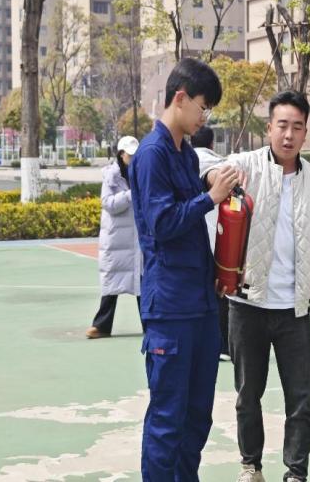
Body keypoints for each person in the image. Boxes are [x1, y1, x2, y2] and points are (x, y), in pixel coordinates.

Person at [204, 90, 310, 482]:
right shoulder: (245, 166)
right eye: (282, 126)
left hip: (294, 310)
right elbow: (203, 165)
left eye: (297, 127)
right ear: (269, 128)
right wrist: (217, 177)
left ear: (306, 132)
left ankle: (296, 472)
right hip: (247, 305)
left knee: (300, 400)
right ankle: (251, 466)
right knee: (248, 395)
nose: (289, 135)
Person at [129, 57, 239, 481]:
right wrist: (210, 197)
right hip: (171, 307)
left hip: (200, 302)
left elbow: (192, 219)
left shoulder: (186, 154)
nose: (204, 116)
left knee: (197, 417)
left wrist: (221, 272)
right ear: (180, 97)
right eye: (202, 106)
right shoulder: (152, 154)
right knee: (168, 419)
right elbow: (162, 224)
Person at [86, 136, 142, 339]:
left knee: (141, 282)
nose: (133, 159)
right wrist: (130, 194)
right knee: (111, 282)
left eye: (135, 155)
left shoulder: (141, 173)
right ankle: (101, 326)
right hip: (117, 238)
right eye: (129, 155)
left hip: (137, 238)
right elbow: (108, 204)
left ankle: (151, 325)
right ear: (121, 154)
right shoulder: (111, 176)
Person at [190, 125, 230, 362]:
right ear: (212, 143)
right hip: (219, 235)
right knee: (222, 292)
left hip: (197, 237)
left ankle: (211, 343)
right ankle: (223, 344)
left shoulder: (185, 161)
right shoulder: (218, 163)